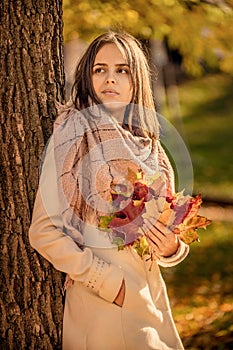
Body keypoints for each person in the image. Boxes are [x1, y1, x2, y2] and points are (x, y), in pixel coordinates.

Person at [29, 31, 189, 350]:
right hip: (103, 306)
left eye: (121, 70)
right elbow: (43, 231)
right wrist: (107, 282)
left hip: (152, 299)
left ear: (136, 79)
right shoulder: (73, 133)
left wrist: (172, 248)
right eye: (99, 69)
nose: (110, 79)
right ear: (88, 77)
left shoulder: (150, 146)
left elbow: (165, 232)